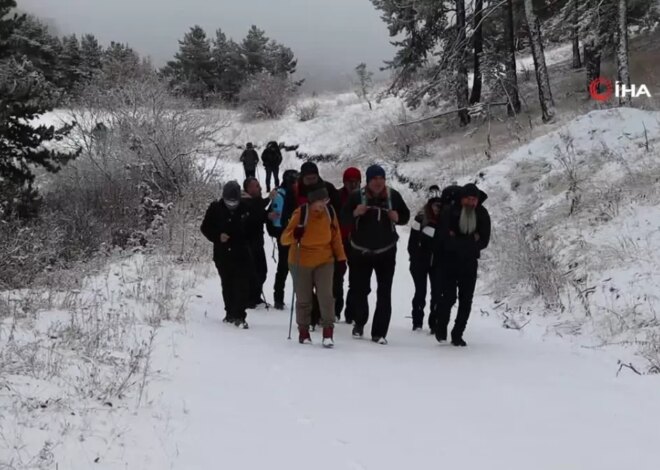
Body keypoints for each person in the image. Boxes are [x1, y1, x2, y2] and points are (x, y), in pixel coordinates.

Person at [341, 164, 410, 344]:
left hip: (386, 251)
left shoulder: (393, 196)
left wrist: (397, 218)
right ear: (368, 181)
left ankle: (379, 333)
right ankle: (360, 321)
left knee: (384, 292)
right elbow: (343, 217)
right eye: (374, 179)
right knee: (359, 289)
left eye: (381, 179)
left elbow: (405, 215)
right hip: (360, 251)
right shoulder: (357, 196)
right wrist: (356, 212)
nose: (378, 183)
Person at [281, 182, 347, 347]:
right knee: (304, 298)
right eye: (320, 201)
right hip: (300, 261)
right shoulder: (301, 213)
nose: (323, 205)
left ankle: (328, 332)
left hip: (325, 260)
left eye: (325, 201)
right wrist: (295, 234)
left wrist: (341, 258)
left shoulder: (330, 213)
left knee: (326, 296)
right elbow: (284, 239)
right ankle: (304, 332)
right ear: (312, 201)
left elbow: (336, 237)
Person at [433, 183, 491, 346]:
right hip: (449, 261)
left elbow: (484, 240)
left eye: (474, 200)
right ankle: (441, 326)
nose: (472, 203)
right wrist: (470, 240)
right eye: (469, 199)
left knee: (466, 300)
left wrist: (458, 239)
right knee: (449, 297)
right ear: (462, 198)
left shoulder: (481, 214)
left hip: (470, 262)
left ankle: (458, 333)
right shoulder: (449, 211)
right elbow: (444, 238)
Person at [200, 181, 260, 328]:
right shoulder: (215, 208)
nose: (232, 204)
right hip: (223, 254)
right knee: (227, 284)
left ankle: (240, 315)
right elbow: (205, 227)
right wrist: (218, 236)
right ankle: (230, 313)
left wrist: (246, 240)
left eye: (234, 202)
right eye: (229, 201)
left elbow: (255, 229)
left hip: (242, 254)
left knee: (242, 285)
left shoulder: (246, 209)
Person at [293, 161, 342, 330]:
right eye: (308, 178)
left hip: (325, 252)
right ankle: (309, 322)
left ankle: (325, 320)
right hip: (300, 252)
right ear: (302, 177)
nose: (312, 180)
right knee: (305, 293)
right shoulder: (295, 193)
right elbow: (287, 223)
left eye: (314, 177)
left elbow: (339, 215)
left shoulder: (328, 190)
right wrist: (294, 233)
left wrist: (340, 254)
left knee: (325, 292)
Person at [408, 185, 442, 332]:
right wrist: (415, 258)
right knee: (420, 292)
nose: (437, 208)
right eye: (435, 205)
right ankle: (417, 321)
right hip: (420, 262)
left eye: (440, 206)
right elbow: (412, 243)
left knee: (436, 293)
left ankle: (434, 322)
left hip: (437, 263)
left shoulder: (444, 222)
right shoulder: (420, 218)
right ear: (430, 204)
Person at [267, 169, 299, 310]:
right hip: (293, 234)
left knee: (283, 267)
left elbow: (270, 215)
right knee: (297, 268)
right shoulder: (294, 195)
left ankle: (278, 298)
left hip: (282, 234)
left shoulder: (279, 193)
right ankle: (303, 300)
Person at [337, 167, 362, 323]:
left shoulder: (365, 197)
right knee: (337, 276)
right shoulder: (337, 196)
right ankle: (335, 309)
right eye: (349, 182)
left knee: (356, 278)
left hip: (358, 241)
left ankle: (351, 312)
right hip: (339, 240)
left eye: (356, 182)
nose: (353, 185)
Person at [242, 177, 271, 308]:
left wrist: (268, 216)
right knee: (253, 272)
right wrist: (269, 198)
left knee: (261, 271)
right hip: (248, 243)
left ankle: (255, 297)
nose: (259, 188)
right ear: (248, 188)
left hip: (257, 242)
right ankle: (249, 299)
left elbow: (260, 213)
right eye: (256, 186)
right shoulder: (244, 201)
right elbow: (255, 212)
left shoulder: (255, 201)